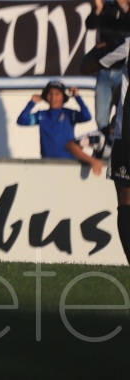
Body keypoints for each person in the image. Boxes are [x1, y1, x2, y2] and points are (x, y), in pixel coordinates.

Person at [81, 34, 130, 264]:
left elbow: (86, 66)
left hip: (126, 135)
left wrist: (105, 46)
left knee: (126, 200)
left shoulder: (126, 44)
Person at [88, 0, 130, 134]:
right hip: (105, 70)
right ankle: (105, 146)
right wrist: (98, 9)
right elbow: (90, 24)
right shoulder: (108, 7)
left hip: (124, 71)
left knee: (123, 114)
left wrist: (125, 7)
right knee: (101, 117)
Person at [16, 80, 92, 159]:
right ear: (46, 96)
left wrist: (77, 97)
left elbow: (87, 116)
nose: (53, 97)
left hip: (69, 162)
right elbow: (21, 120)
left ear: (63, 97)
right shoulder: (41, 115)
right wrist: (32, 103)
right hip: (47, 163)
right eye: (50, 94)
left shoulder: (69, 114)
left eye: (57, 94)